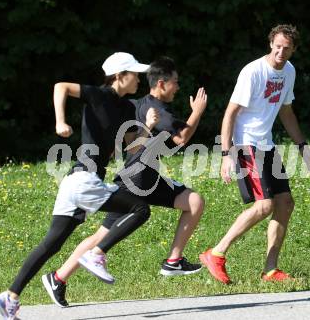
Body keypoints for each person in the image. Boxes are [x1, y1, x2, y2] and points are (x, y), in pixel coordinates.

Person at [0, 52, 157, 319]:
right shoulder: (98, 94)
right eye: (135, 74)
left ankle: (9, 296)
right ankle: (96, 254)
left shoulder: (127, 109)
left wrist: (147, 127)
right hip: (83, 180)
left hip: (76, 182)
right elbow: (61, 87)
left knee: (51, 244)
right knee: (141, 209)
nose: (139, 79)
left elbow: (131, 146)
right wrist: (60, 121)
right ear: (119, 76)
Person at [41, 56, 207, 307]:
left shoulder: (143, 104)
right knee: (100, 237)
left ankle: (173, 261)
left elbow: (131, 142)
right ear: (161, 83)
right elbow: (181, 138)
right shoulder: (156, 109)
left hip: (147, 177)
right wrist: (197, 112)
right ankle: (61, 276)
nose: (178, 87)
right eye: (175, 82)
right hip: (137, 180)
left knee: (194, 200)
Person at [199, 24, 310, 284]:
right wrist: (226, 154)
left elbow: (286, 112)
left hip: (266, 145)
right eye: (277, 46)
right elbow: (230, 113)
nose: (280, 52)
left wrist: (304, 148)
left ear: (293, 50)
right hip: (245, 144)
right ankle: (216, 253)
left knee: (285, 203)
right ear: (270, 44)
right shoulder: (252, 71)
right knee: (264, 205)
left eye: (286, 48)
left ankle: (271, 269)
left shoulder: (289, 71)